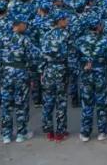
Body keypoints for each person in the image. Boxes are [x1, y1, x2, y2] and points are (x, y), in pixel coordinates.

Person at [0, 16, 38, 144]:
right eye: (24, 24)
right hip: (20, 74)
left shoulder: (3, 39)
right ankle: (21, 134)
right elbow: (33, 57)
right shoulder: (24, 40)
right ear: (19, 25)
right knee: (21, 104)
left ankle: (6, 135)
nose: (26, 26)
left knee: (6, 105)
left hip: (6, 75)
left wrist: (1, 73)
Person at [76, 16, 107, 141]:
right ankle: (103, 131)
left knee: (87, 104)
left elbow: (74, 58)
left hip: (85, 74)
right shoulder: (104, 41)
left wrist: (82, 67)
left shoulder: (80, 40)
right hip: (100, 74)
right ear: (98, 27)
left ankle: (85, 132)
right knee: (101, 103)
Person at [40, 11, 72, 142]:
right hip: (61, 70)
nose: (67, 21)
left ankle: (49, 131)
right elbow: (70, 55)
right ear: (60, 21)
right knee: (61, 101)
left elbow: (41, 55)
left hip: (48, 70)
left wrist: (41, 71)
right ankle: (60, 131)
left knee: (48, 101)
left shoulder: (46, 35)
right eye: (65, 19)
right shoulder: (66, 34)